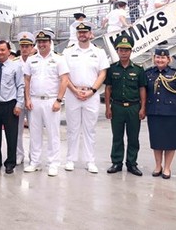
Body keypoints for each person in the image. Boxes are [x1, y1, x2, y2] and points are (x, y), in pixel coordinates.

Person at [62, 22, 109, 174]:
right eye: (79, 32)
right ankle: (70, 159)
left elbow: (102, 73)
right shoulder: (68, 51)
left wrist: (93, 91)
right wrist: (74, 90)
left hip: (92, 95)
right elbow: (64, 74)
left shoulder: (98, 52)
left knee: (90, 130)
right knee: (72, 129)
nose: (82, 34)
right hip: (72, 94)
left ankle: (90, 161)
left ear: (90, 34)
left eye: (85, 32)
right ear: (76, 34)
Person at [22, 29, 69, 177]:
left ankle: (53, 163)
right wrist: (28, 99)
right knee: (34, 133)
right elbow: (27, 80)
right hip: (34, 101)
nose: (42, 44)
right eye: (39, 42)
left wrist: (59, 100)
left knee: (53, 133)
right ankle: (34, 162)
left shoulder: (58, 59)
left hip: (51, 101)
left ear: (50, 43)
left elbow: (64, 80)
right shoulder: (31, 59)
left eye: (44, 42)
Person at [104, 35, 147, 176]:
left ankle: (132, 164)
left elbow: (142, 89)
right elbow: (108, 88)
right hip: (117, 107)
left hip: (134, 107)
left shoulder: (139, 70)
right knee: (117, 136)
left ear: (131, 51)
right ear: (117, 51)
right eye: (121, 49)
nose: (124, 52)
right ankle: (116, 162)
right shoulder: (111, 69)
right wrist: (107, 107)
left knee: (133, 137)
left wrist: (142, 108)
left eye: (126, 50)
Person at [0, 40, 24, 174]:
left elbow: (20, 86)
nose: (0, 52)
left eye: (3, 50)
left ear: (9, 51)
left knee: (11, 136)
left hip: (10, 105)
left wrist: (19, 104)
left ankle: (10, 163)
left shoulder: (16, 67)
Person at [145, 48, 176, 179]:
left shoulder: (174, 73)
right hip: (154, 111)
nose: (160, 60)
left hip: (172, 113)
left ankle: (167, 168)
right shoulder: (148, 73)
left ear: (168, 59)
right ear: (154, 58)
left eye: (163, 58)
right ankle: (158, 166)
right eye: (158, 57)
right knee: (156, 141)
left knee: (170, 142)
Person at [15, 31, 36, 165]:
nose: (24, 49)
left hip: (33, 98)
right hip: (19, 99)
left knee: (34, 129)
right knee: (17, 130)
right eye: (22, 46)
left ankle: (33, 156)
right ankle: (19, 154)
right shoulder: (14, 62)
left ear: (32, 47)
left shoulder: (37, 61)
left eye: (27, 46)